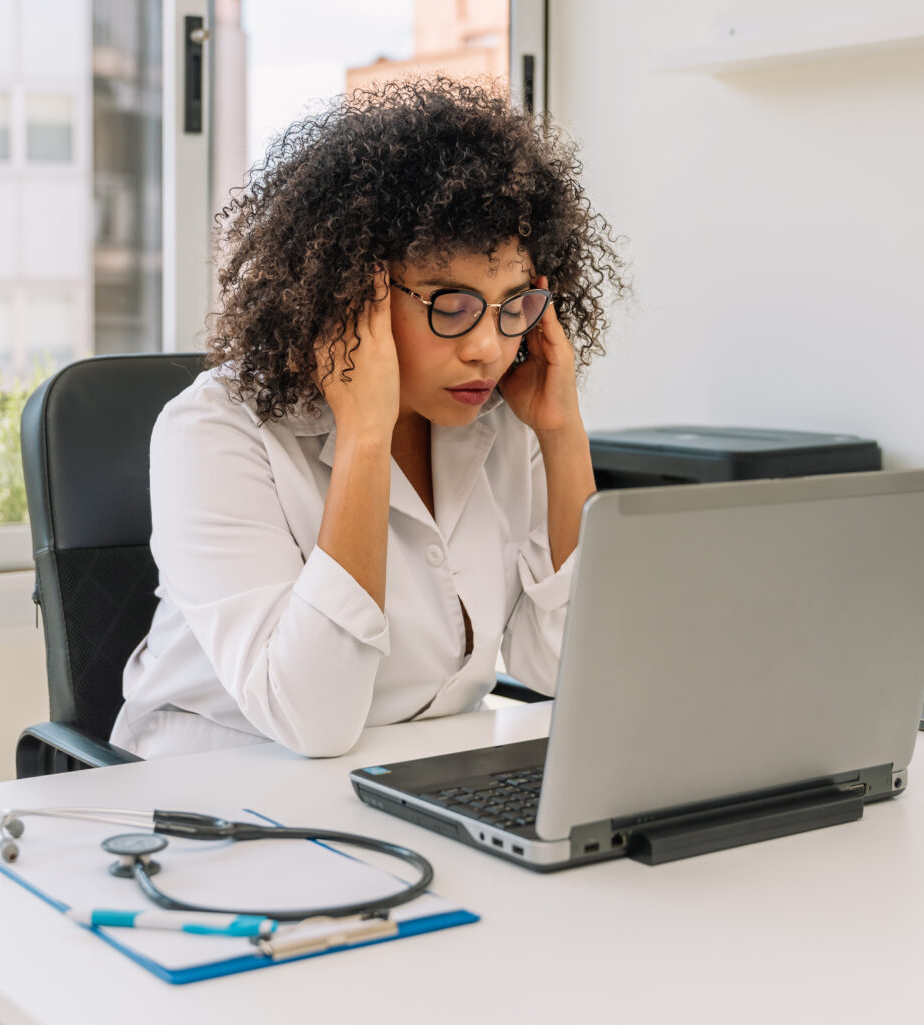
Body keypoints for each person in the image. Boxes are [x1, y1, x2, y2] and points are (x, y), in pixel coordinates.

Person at [110, 76, 625, 759]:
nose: (489, 347)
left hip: (408, 777)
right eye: (451, 302)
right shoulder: (213, 432)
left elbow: (559, 665)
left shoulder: (499, 423)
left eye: (512, 305)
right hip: (216, 791)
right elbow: (312, 719)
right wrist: (363, 436)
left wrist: (563, 438)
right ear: (358, 293)